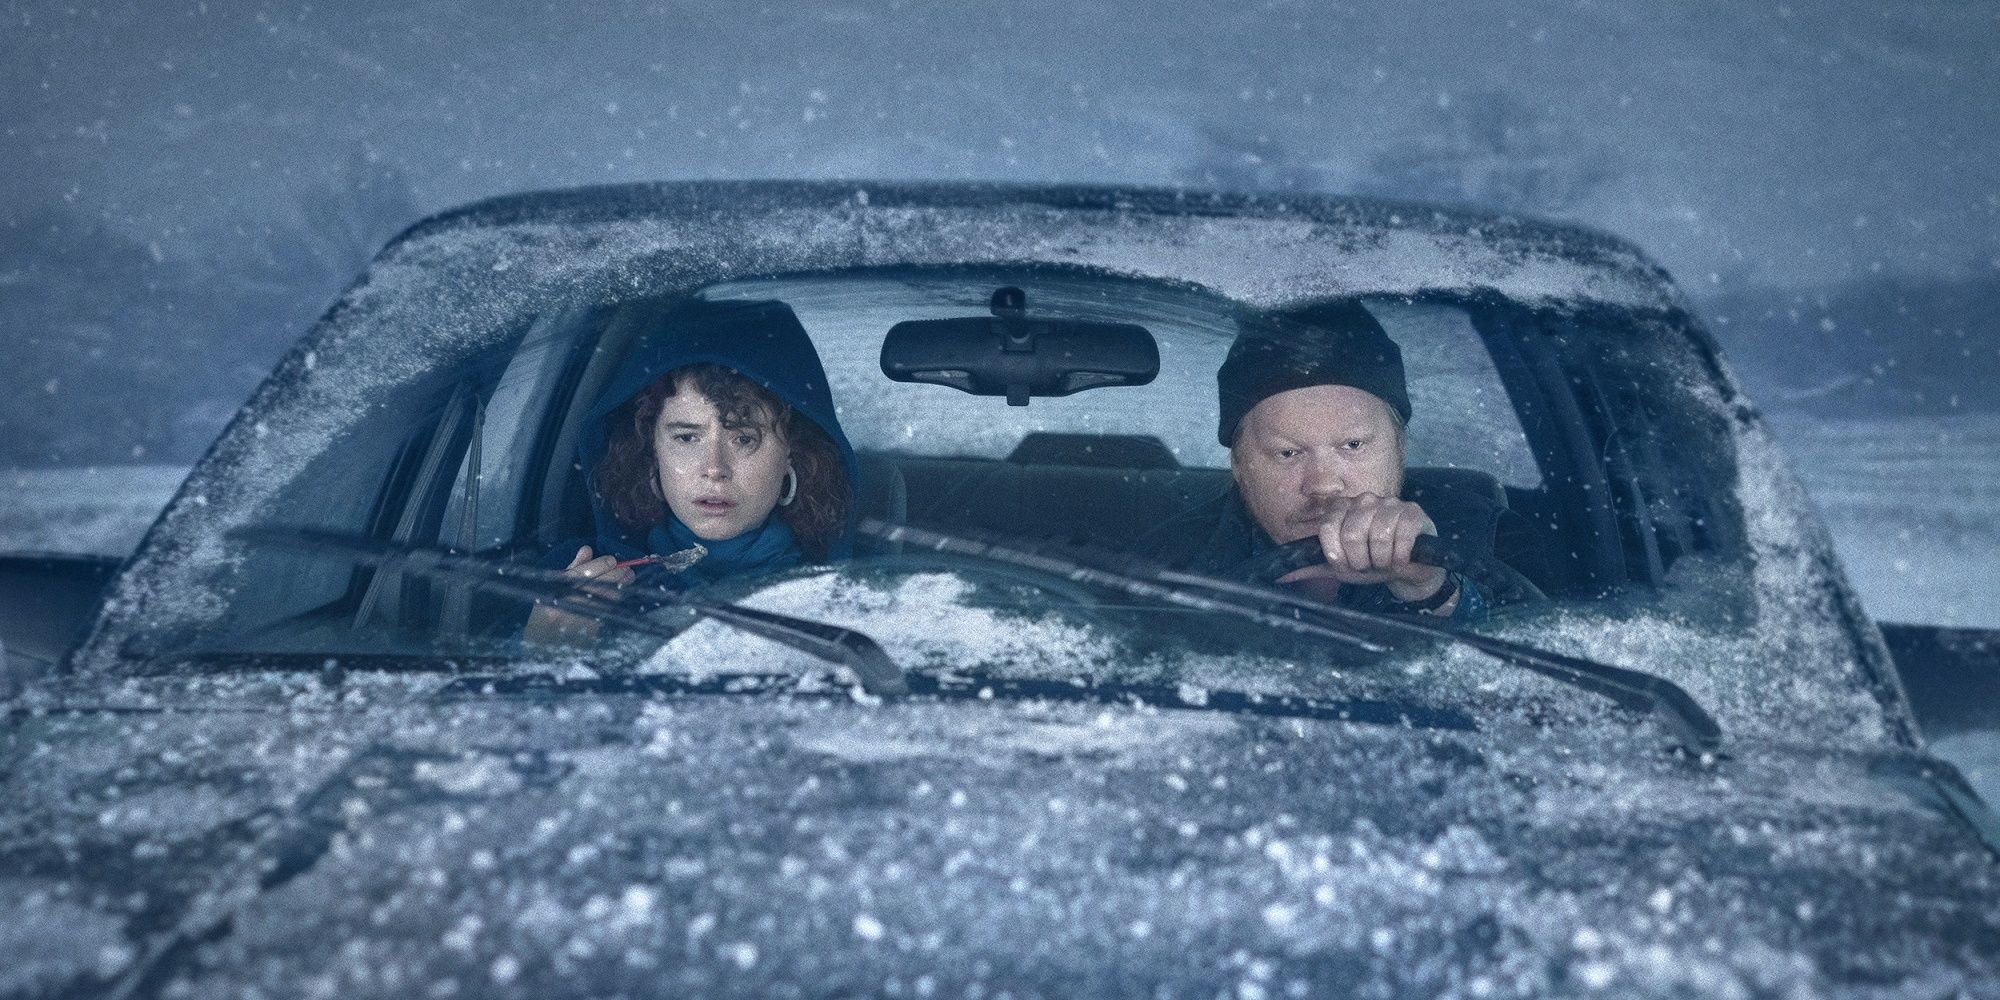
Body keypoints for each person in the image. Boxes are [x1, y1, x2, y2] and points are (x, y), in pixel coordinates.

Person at [1141, 300, 1504, 621]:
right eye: (1288, 453)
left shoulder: (1495, 542)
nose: (1323, 483)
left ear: (1399, 447)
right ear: (1238, 465)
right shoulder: (1163, 568)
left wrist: (1432, 588)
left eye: (1353, 444)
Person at [525, 298, 855, 642]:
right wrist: (545, 650)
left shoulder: (848, 595)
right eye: (686, 437)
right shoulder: (575, 582)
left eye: (744, 438)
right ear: (650, 450)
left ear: (793, 453)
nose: (714, 468)